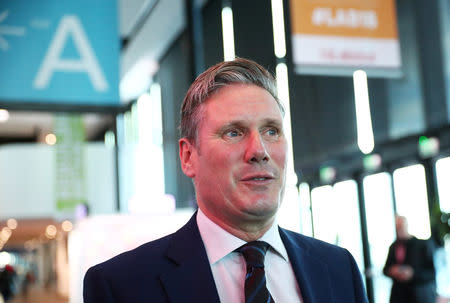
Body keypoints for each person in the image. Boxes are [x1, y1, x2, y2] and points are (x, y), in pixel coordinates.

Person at [83, 58, 368, 303]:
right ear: (188, 156)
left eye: (271, 131)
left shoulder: (338, 269)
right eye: (234, 132)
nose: (260, 151)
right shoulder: (121, 286)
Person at [383, 215, 436, 303]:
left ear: (406, 226)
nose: (399, 230)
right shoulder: (393, 246)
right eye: (397, 227)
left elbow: (431, 273)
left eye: (401, 227)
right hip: (398, 296)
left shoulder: (422, 245)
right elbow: (385, 270)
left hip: (418, 295)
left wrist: (412, 274)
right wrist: (392, 271)